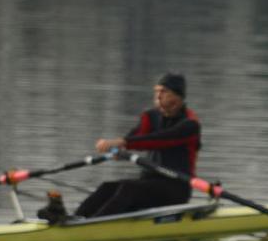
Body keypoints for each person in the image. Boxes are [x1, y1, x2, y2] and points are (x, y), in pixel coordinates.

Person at [73, 72, 202, 218]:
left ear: (178, 97)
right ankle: (75, 219)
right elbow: (137, 137)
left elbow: (159, 140)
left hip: (176, 188)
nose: (158, 96)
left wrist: (122, 142)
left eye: (164, 92)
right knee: (107, 187)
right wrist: (118, 149)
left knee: (128, 188)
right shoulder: (151, 116)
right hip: (149, 182)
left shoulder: (190, 124)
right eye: (157, 91)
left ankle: (93, 226)